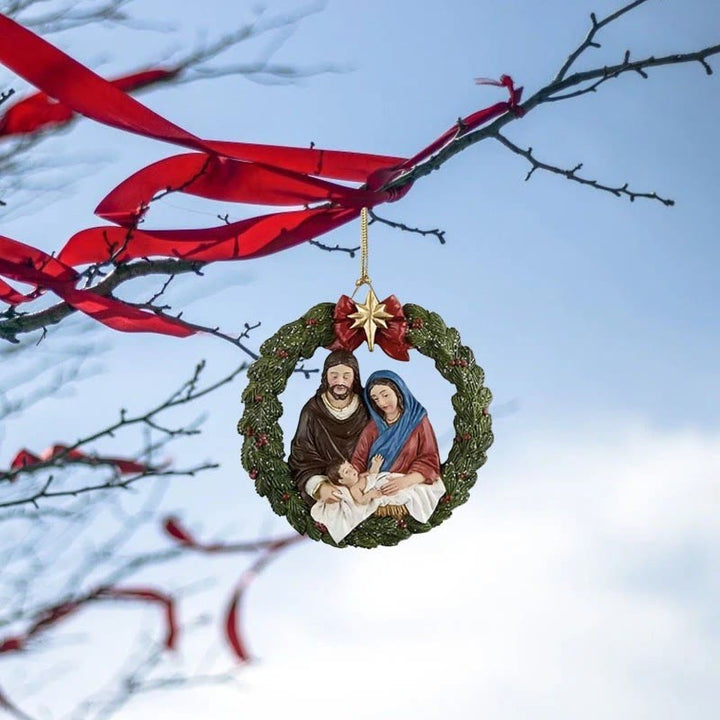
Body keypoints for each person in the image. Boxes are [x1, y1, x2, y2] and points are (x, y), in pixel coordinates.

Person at [351, 369, 445, 510]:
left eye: (385, 395)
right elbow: (358, 461)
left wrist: (405, 481)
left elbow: (430, 459)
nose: (381, 402)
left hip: (406, 485)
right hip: (374, 486)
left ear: (399, 392)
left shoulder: (418, 421)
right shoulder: (372, 427)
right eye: (375, 399)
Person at [288, 349, 369, 505]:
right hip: (328, 483)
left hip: (365, 481)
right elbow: (302, 456)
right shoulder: (313, 411)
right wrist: (319, 486)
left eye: (346, 376)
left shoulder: (367, 407)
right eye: (334, 376)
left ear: (355, 378)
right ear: (326, 377)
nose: (340, 382)